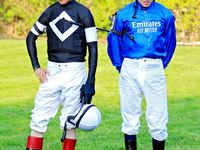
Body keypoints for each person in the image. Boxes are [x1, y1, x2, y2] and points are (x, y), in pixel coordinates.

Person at [25, 0, 98, 149]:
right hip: (52, 72)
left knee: (70, 121)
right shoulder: (49, 12)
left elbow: (93, 49)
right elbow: (31, 37)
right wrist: (36, 67)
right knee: (39, 117)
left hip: (75, 73)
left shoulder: (84, 12)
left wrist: (91, 82)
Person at [107, 0, 176, 149]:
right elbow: (113, 41)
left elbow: (171, 43)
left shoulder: (166, 14)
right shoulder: (122, 14)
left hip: (154, 66)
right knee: (129, 113)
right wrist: (121, 66)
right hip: (130, 66)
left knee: (158, 114)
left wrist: (159, 65)